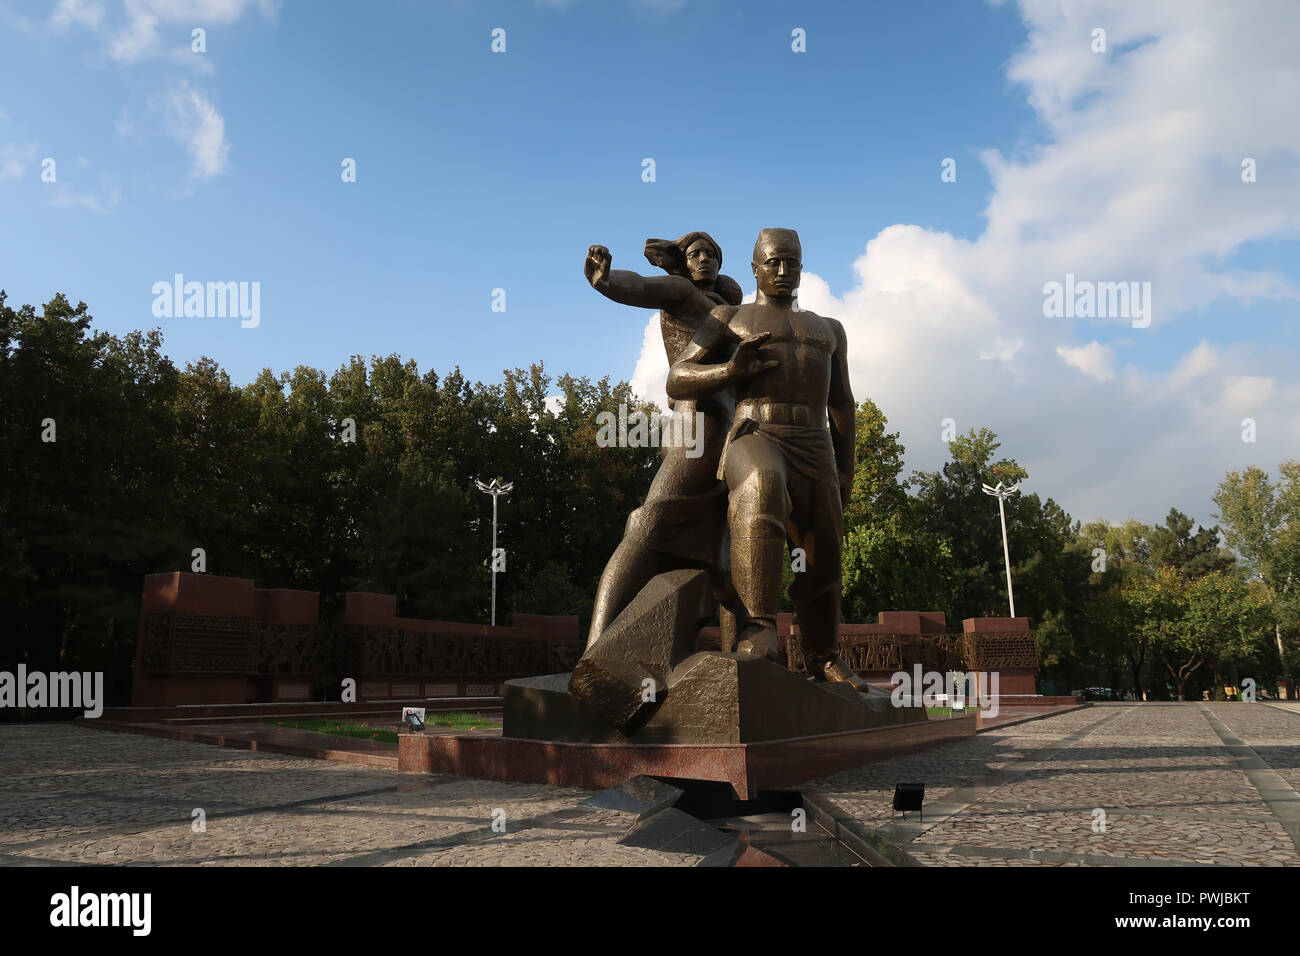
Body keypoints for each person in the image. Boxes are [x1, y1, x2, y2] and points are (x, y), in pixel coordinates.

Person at [665, 228, 865, 687]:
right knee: (762, 485)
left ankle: (822, 654)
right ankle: (759, 628)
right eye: (773, 262)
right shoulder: (728, 317)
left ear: (802, 266)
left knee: (824, 547)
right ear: (754, 266)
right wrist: (729, 370)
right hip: (755, 430)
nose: (782, 270)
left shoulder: (829, 329)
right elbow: (678, 378)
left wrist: (847, 465)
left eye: (791, 262)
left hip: (814, 442)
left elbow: (843, 403)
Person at [582, 233, 749, 652]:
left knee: (730, 556)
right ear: (682, 262)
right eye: (696, 254)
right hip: (698, 427)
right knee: (651, 522)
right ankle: (595, 648)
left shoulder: (726, 306)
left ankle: (745, 658)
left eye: (713, 253)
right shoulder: (681, 292)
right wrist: (607, 281)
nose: (706, 259)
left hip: (733, 433)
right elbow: (641, 286)